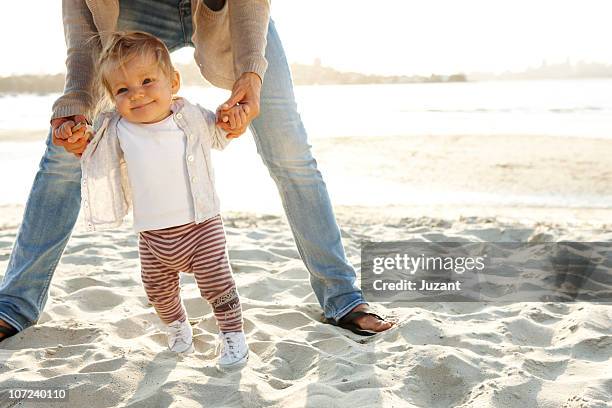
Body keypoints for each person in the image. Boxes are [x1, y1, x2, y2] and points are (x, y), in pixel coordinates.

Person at [0, 0, 393, 342]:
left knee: (291, 154)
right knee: (65, 153)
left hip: (227, 11)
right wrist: (77, 105)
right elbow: (84, 40)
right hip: (135, 12)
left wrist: (252, 75)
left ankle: (343, 298)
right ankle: (14, 304)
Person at [75, 31, 248, 367]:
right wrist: (79, 137)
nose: (137, 94)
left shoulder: (191, 117)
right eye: (123, 90)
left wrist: (233, 120)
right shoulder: (117, 128)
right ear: (112, 98)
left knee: (217, 284)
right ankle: (178, 326)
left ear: (173, 81)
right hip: (152, 235)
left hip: (201, 226)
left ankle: (233, 336)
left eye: (147, 81)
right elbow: (94, 157)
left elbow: (221, 132)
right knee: (157, 291)